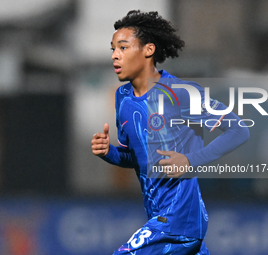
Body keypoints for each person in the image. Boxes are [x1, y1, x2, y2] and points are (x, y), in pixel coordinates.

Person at [91, 10, 249, 255]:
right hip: (163, 219)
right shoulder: (122, 98)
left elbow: (239, 130)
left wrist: (190, 160)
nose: (115, 55)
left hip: (178, 222)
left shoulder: (181, 92)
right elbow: (138, 158)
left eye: (123, 47)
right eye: (112, 49)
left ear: (148, 50)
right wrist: (109, 152)